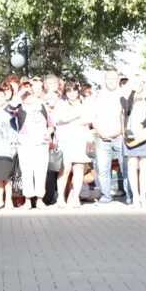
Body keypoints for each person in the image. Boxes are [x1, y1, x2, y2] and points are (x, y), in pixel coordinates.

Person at [91, 70, 130, 205]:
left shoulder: (123, 95)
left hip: (120, 136)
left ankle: (130, 196)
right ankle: (105, 196)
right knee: (103, 169)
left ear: (118, 80)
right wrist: (101, 133)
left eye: (114, 78)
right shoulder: (98, 96)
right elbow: (93, 117)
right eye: (109, 78)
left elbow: (127, 117)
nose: (112, 81)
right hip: (102, 138)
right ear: (105, 80)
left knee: (126, 167)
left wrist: (118, 132)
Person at [53, 80, 91, 209]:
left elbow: (88, 119)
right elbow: (59, 119)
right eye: (68, 91)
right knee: (65, 169)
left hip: (80, 139)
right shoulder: (60, 104)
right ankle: (61, 197)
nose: (72, 94)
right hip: (65, 141)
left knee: (79, 169)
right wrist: (76, 116)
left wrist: (71, 118)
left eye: (74, 91)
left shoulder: (84, 102)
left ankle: (76, 197)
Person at [14, 91, 54, 210]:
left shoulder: (42, 108)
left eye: (30, 95)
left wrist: (48, 132)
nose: (28, 98)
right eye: (25, 96)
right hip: (25, 145)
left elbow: (51, 125)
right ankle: (27, 200)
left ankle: (40, 200)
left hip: (41, 145)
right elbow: (9, 108)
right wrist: (20, 93)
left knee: (41, 172)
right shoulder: (19, 109)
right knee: (27, 173)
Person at [122, 73, 146, 208]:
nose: (138, 84)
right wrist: (133, 91)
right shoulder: (125, 98)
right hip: (131, 137)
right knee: (132, 166)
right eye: (136, 82)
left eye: (141, 82)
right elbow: (127, 109)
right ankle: (135, 196)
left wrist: (141, 126)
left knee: (145, 166)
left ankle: (143, 196)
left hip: (145, 136)